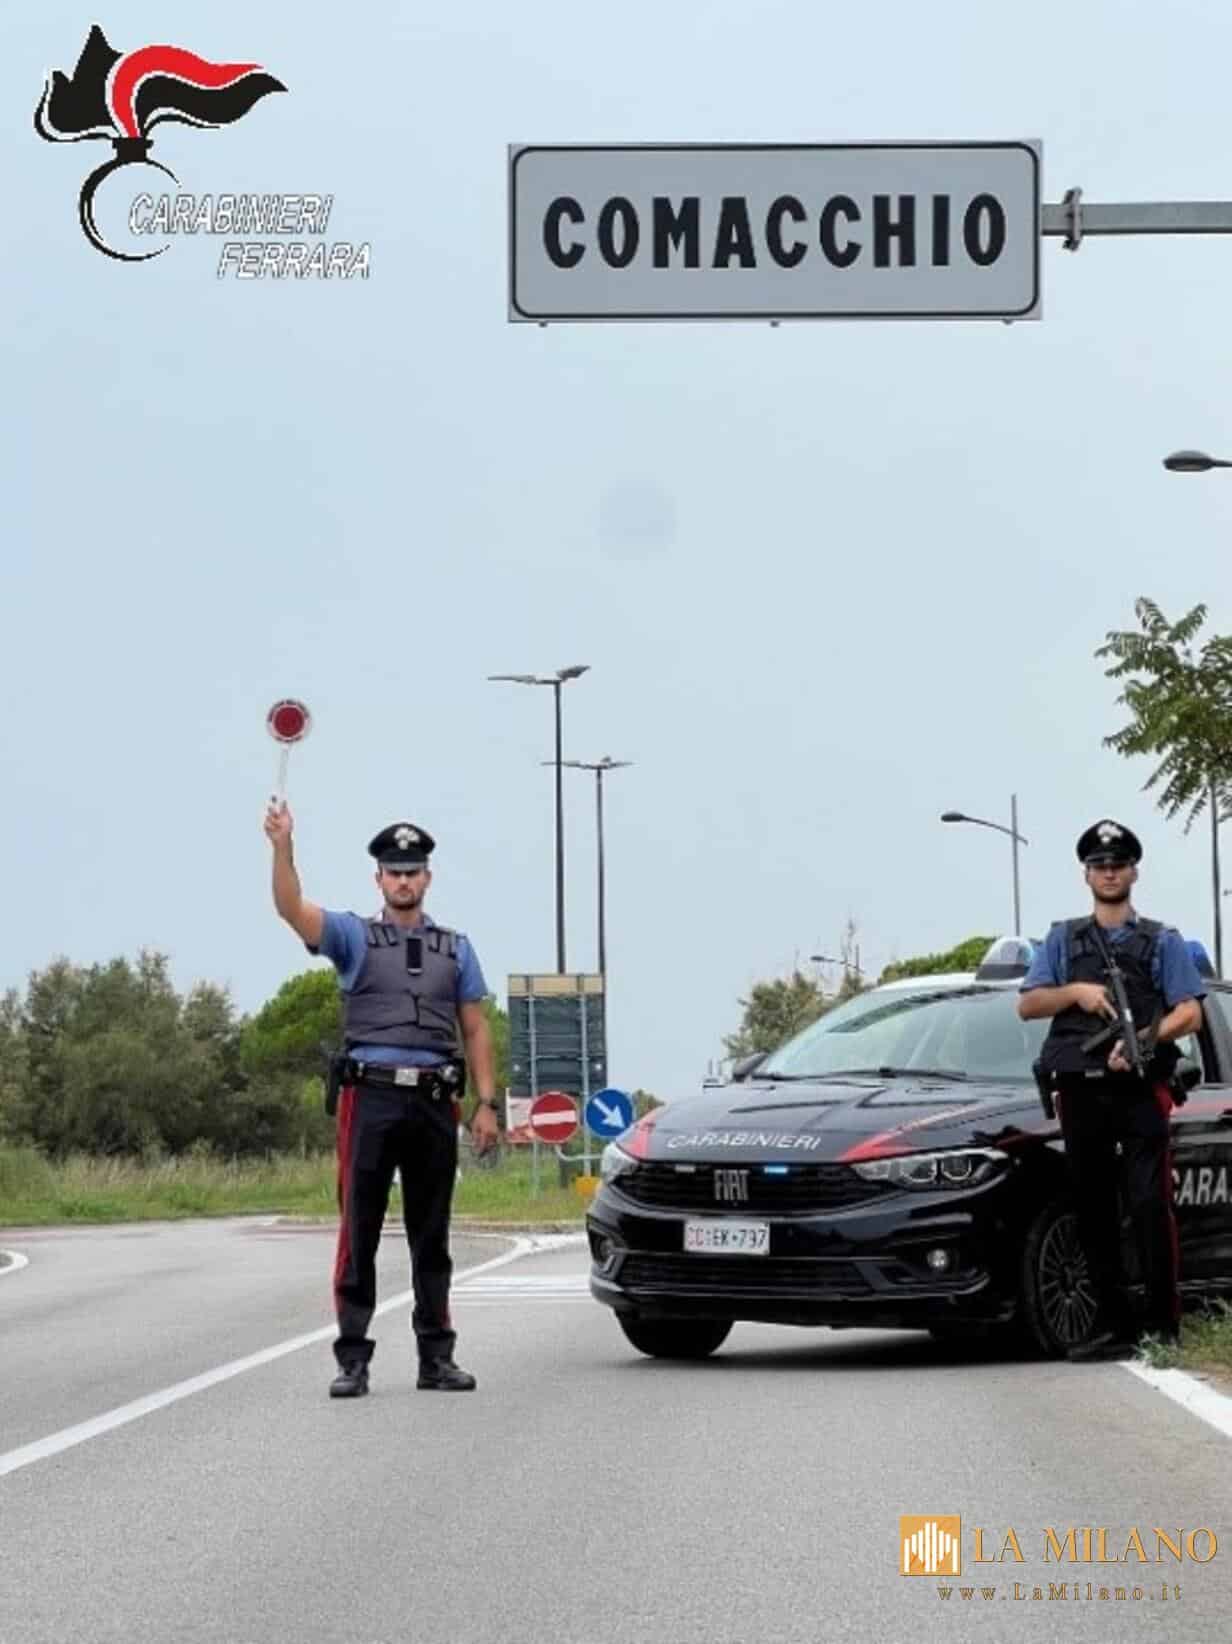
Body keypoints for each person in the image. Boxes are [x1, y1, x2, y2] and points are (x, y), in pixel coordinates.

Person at [264, 804, 500, 1398]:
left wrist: (487, 1104)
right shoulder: (352, 936)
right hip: (369, 1098)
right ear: (379, 879)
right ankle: (352, 1359)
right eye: (394, 872)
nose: (403, 880)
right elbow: (291, 908)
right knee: (360, 1228)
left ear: (428, 878)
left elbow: (475, 1028)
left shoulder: (456, 948)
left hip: (434, 1101)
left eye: (412, 871)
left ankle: (436, 1357)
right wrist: (283, 847)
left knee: (432, 1234)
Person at [1018, 819, 1204, 1360]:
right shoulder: (1062, 939)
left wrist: (1144, 1038)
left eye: (1118, 864)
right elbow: (1028, 1004)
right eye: (1099, 866)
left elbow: (1189, 1013)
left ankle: (1162, 1325)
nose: (1109, 873)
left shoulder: (1162, 941)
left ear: (1133, 872)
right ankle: (1111, 1325)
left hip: (1140, 1088)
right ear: (1086, 875)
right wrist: (1075, 992)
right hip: (1081, 1091)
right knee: (1092, 1205)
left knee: (1148, 1203)